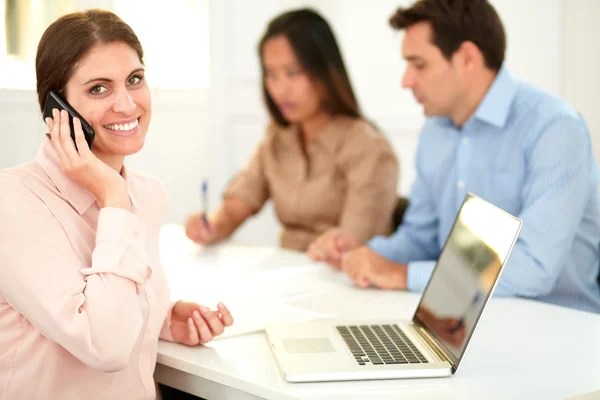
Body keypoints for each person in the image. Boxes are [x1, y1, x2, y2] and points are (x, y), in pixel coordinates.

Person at [308, 0, 600, 313]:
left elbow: (533, 269)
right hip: (461, 320)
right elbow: (421, 238)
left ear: (467, 58)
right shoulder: (436, 132)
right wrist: (361, 253)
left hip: (558, 327)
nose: (406, 81)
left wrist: (401, 274)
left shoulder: (553, 128)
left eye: (419, 65)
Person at [0, 10, 233, 400]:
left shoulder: (147, 193)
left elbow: (113, 304)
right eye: (98, 89)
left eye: (134, 80)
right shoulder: (14, 202)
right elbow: (104, 346)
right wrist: (112, 199)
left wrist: (160, 319)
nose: (127, 105)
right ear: (55, 108)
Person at [185, 8, 399, 252]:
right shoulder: (278, 136)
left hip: (344, 279)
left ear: (325, 71)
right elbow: (238, 206)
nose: (280, 89)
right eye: (271, 74)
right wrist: (211, 226)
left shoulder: (368, 147)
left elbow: (352, 246)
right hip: (290, 276)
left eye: (292, 72)